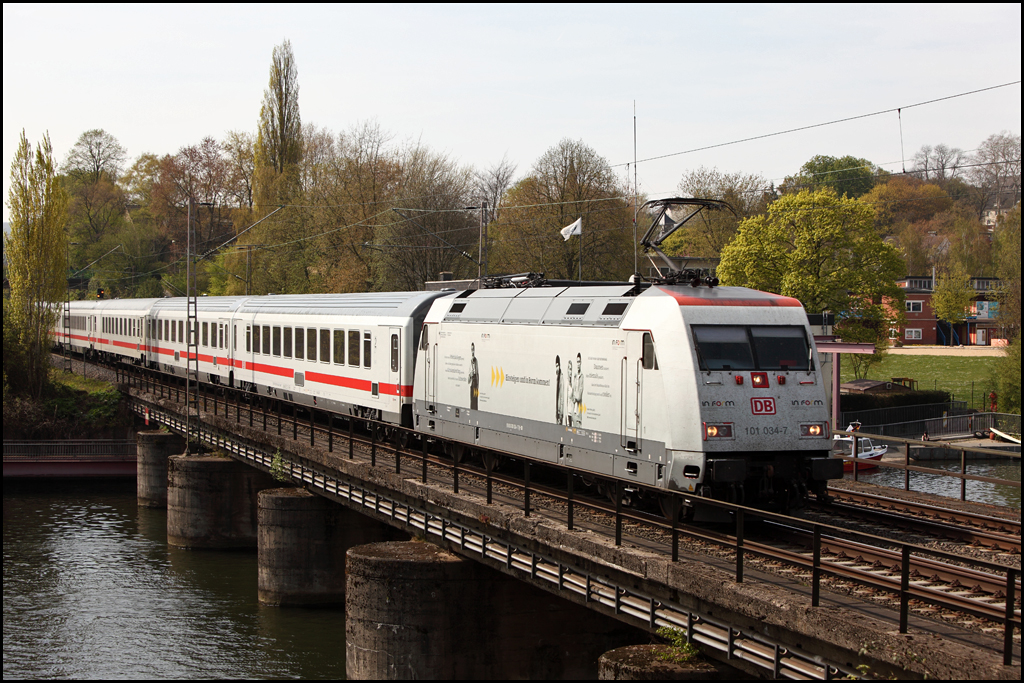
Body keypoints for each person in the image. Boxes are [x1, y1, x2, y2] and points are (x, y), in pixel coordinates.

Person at [468, 343, 479, 410]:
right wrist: (470, 375)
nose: (472, 351)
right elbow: (468, 381)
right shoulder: (469, 361)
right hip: (472, 384)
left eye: (473, 349)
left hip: (475, 384)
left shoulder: (476, 360)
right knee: (472, 401)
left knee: (475, 401)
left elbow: (477, 374)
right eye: (472, 349)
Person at [554, 356, 564, 425]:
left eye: (557, 366)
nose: (556, 368)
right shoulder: (557, 377)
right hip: (557, 414)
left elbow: (561, 397)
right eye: (556, 366)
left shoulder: (561, 378)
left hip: (559, 414)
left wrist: (560, 415)